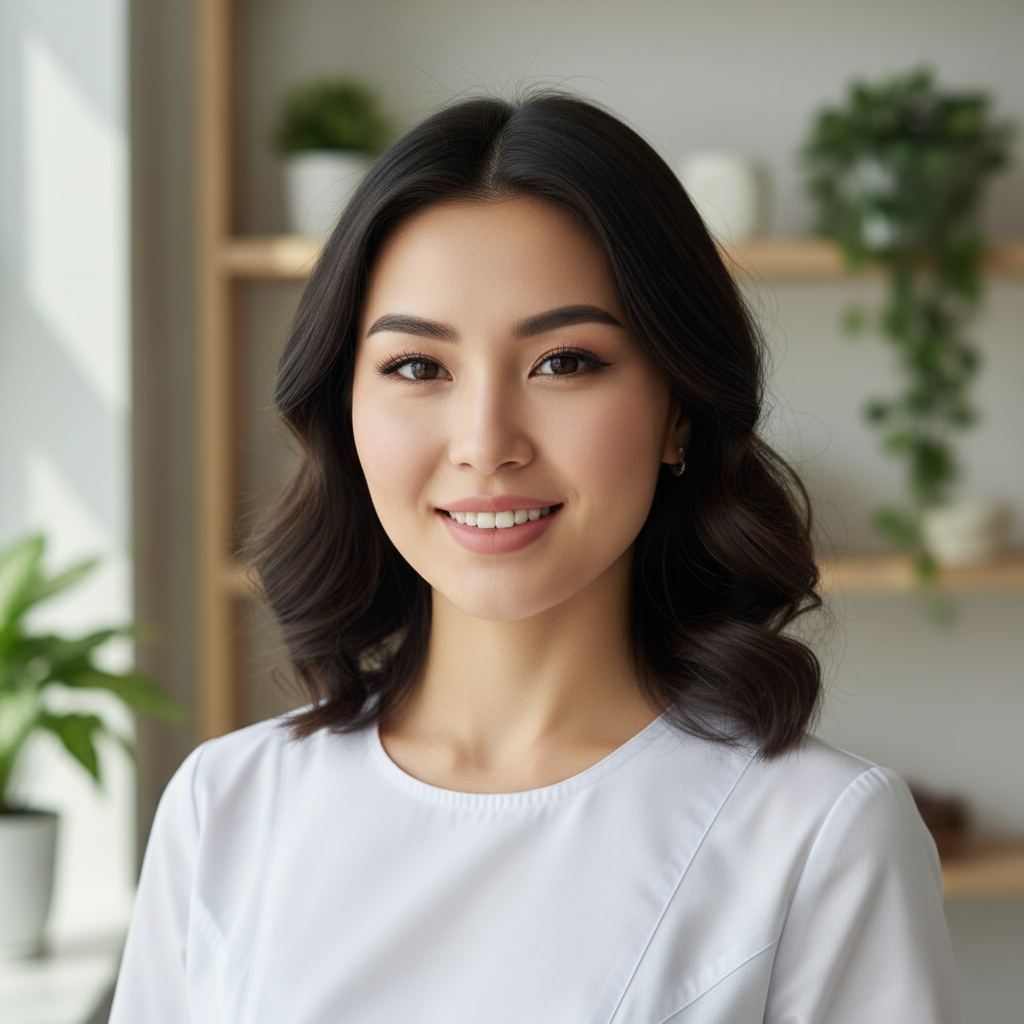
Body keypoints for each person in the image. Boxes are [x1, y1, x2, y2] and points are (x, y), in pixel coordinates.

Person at [109, 93, 960, 1023]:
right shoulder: (225, 808)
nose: (486, 442)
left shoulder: (820, 838)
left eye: (563, 362)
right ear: (344, 412)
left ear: (679, 408)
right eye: (417, 367)